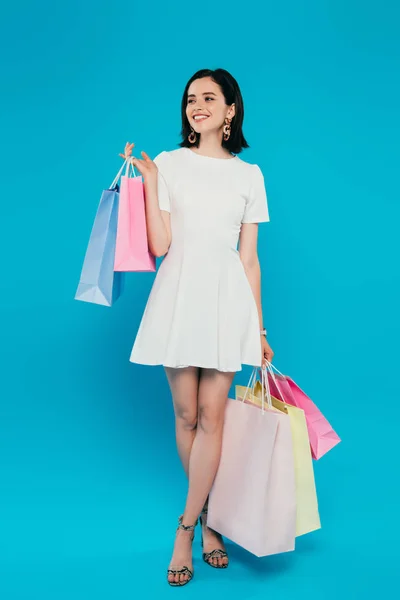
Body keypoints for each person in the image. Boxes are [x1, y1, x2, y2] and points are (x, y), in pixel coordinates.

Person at [120, 68, 274, 587]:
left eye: (210, 98)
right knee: (186, 414)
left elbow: (249, 259)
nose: (197, 105)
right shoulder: (168, 163)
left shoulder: (249, 176)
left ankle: (188, 528)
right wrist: (149, 185)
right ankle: (213, 516)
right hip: (179, 294)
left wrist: (260, 329)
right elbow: (161, 247)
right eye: (191, 98)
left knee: (214, 416)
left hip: (227, 299)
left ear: (231, 110)